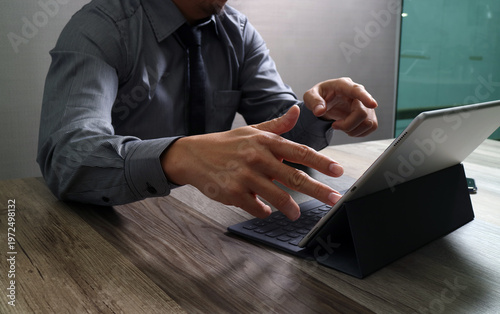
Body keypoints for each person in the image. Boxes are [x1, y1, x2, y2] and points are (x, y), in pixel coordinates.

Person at [37, 0, 378, 222]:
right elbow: (66, 157)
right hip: (118, 228)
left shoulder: (238, 32)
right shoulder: (101, 27)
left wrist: (321, 113)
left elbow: (284, 133)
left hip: (210, 224)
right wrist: (175, 157)